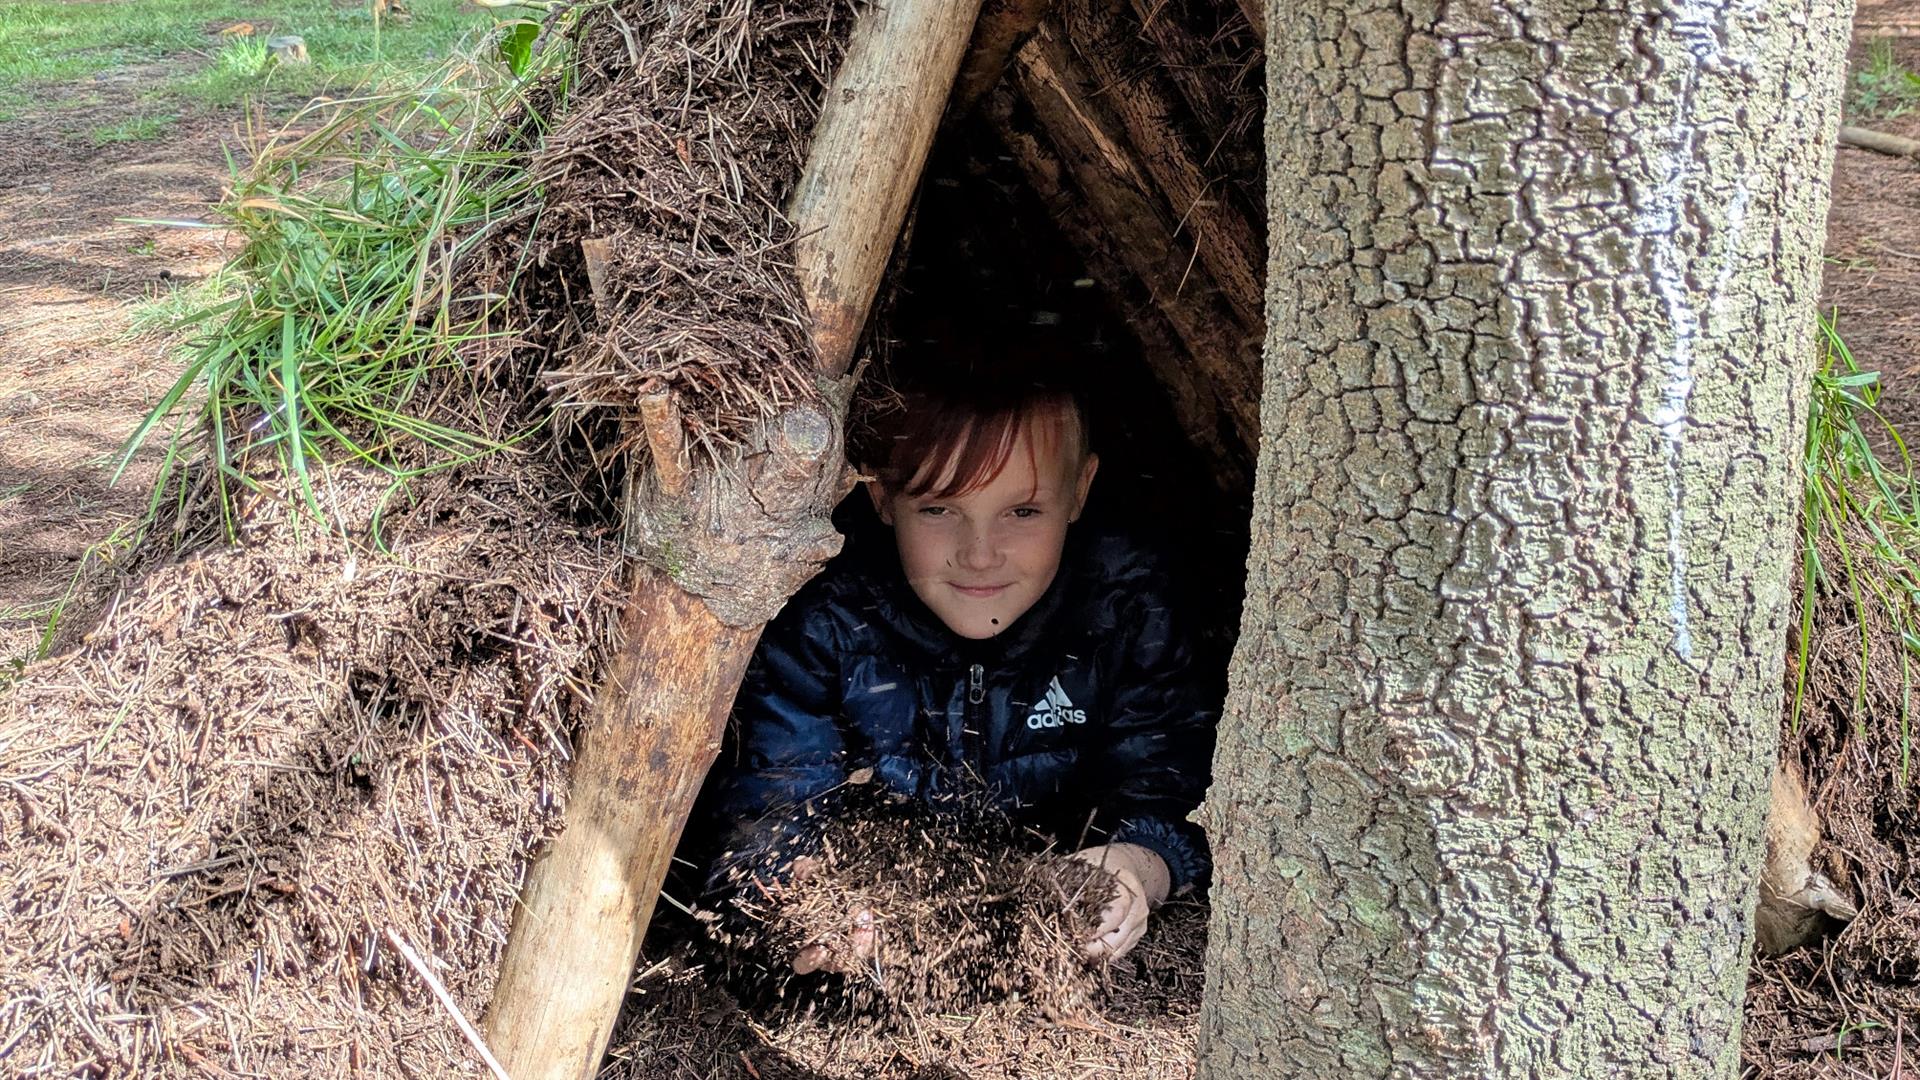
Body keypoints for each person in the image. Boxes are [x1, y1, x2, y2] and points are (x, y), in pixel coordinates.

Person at [697, 372, 1215, 969]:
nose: (979, 552)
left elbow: (1175, 781)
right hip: (884, 918)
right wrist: (802, 894)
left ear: (1080, 490)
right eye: (939, 507)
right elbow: (769, 804)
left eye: (1023, 510)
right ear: (882, 497)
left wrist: (1140, 866)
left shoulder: (1124, 604)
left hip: (1050, 901)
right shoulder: (825, 619)